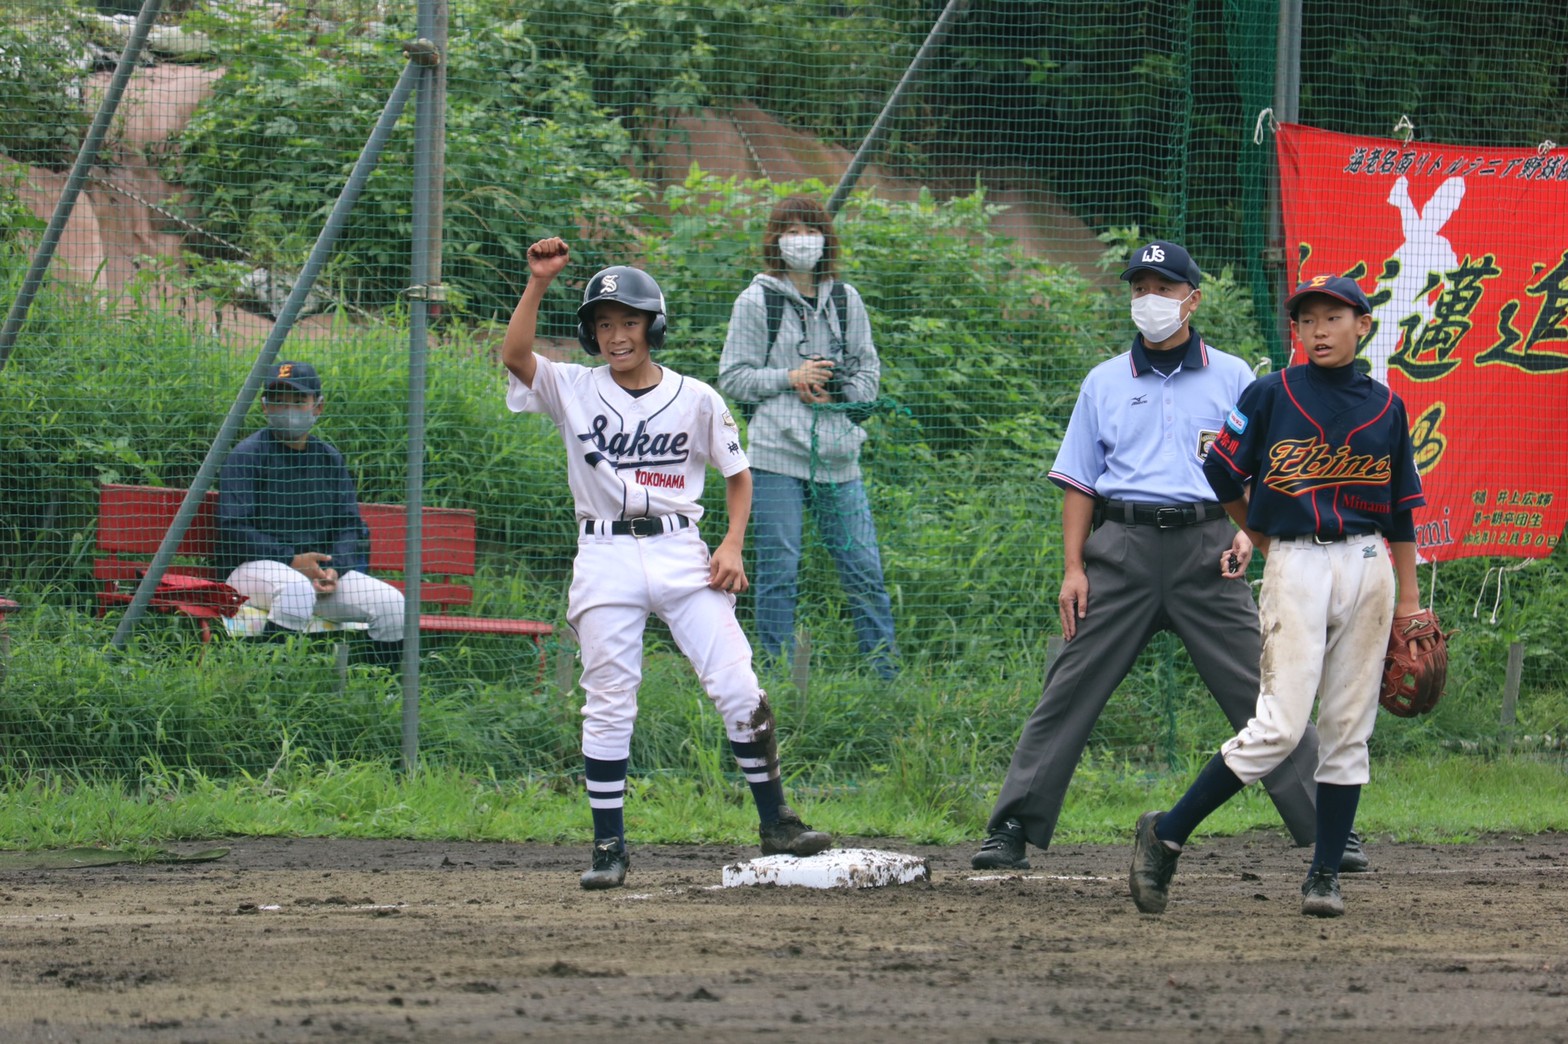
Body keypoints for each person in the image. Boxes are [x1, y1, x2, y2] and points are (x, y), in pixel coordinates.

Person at [971, 241, 1366, 875]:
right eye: (1138, 288)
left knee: (1266, 690)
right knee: (1068, 688)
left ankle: (1328, 829)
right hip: (1120, 551)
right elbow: (1078, 481)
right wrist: (1073, 568)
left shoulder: (1237, 376)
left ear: (1192, 299)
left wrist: (1250, 534)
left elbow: (1269, 469)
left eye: (1163, 287)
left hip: (1210, 548)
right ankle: (1012, 824)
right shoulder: (1103, 381)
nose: (1149, 299)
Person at [500, 237, 833, 891]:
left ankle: (777, 823)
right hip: (604, 551)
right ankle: (608, 848)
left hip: (683, 550)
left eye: (628, 321)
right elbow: (515, 356)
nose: (617, 335)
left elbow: (739, 477)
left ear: (652, 326)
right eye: (604, 324)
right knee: (608, 702)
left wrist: (731, 544)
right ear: (591, 335)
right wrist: (539, 282)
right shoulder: (573, 387)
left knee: (737, 685)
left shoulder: (696, 397)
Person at [1129, 274, 1422, 919]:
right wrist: (1258, 535)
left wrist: (1410, 603)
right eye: (1307, 320)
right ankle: (1167, 832)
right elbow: (1221, 470)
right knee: (1281, 727)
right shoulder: (1272, 394)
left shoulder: (1386, 407)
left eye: (1333, 318)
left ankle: (1323, 876)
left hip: (1370, 564)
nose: (1318, 330)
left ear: (1362, 326)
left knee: (1349, 730)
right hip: (1296, 561)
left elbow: (1402, 511)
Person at [718, 195, 897, 680]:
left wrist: (833, 390)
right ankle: (770, 681)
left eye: (810, 229)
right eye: (790, 231)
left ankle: (886, 678)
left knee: (863, 568)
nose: (802, 240)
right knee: (778, 572)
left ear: (826, 238)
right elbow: (732, 376)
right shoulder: (757, 300)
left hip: (840, 458)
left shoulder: (846, 300)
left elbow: (867, 377)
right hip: (776, 455)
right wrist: (790, 377)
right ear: (776, 240)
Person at [217, 361, 405, 668]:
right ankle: (264, 685)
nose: (286, 408)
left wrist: (336, 570)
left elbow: (349, 525)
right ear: (264, 407)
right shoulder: (246, 456)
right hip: (249, 572)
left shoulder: (329, 459)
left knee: (392, 604)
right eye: (277, 400)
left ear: (317, 406)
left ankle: (377, 695)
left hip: (317, 575)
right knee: (295, 589)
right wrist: (292, 560)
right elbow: (233, 527)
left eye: (297, 400)